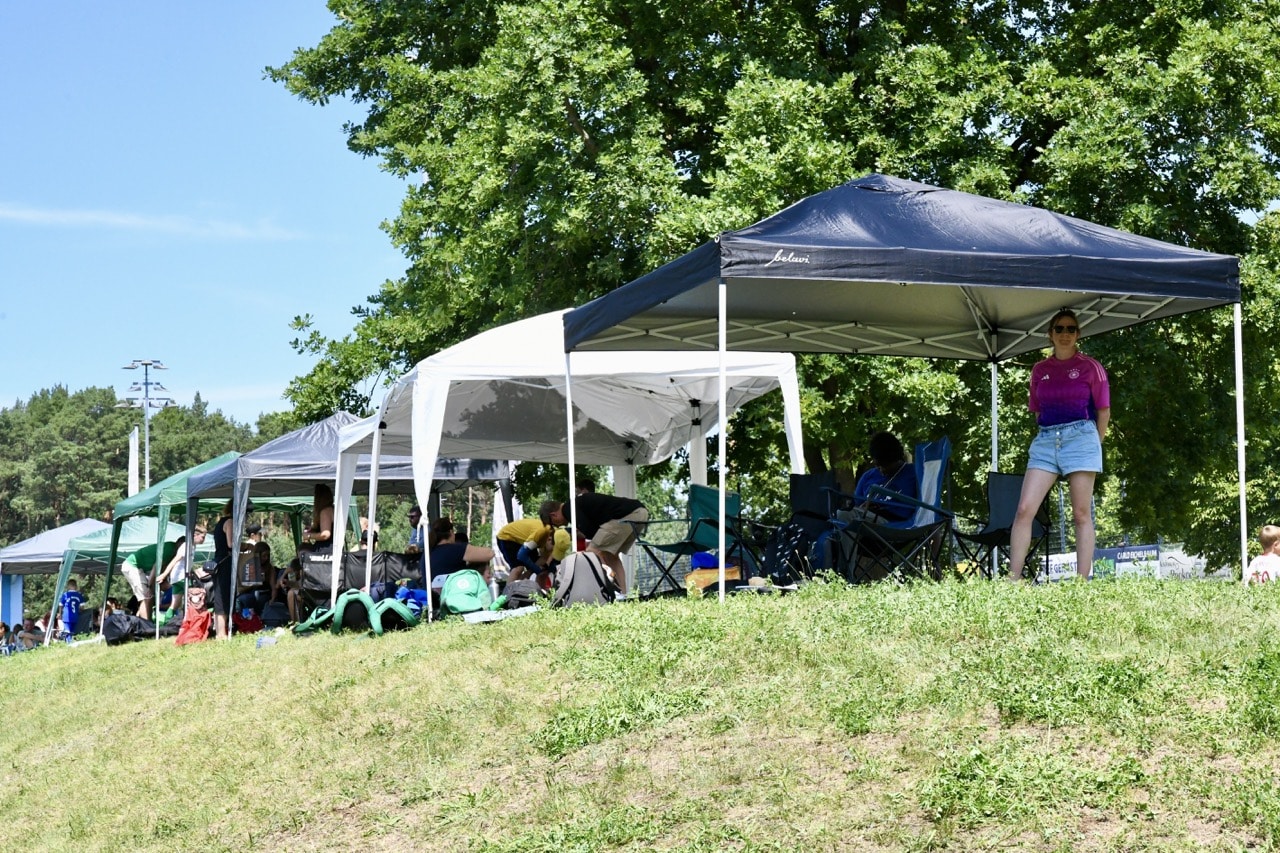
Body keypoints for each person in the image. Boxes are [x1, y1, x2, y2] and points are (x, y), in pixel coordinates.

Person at [1008, 309, 1111, 581]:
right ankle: (1011, 580)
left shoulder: (1091, 366)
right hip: (1045, 439)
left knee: (1080, 513)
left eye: (1071, 329)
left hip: (1082, 436)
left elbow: (1104, 412)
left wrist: (1092, 446)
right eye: (1059, 329)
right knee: (1024, 509)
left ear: (1078, 334)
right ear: (1050, 334)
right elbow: (1037, 411)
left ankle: (1081, 582)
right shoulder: (1039, 370)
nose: (1065, 334)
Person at [542, 493, 649, 597]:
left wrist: (579, 534)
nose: (556, 526)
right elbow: (594, 530)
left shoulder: (569, 508)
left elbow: (590, 530)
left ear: (553, 515)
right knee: (611, 556)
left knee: (589, 555)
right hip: (640, 512)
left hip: (626, 516)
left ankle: (592, 593)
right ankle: (623, 594)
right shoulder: (575, 504)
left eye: (552, 523)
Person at [849, 432, 919, 524]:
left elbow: (927, 506)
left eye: (885, 465)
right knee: (843, 515)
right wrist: (864, 507)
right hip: (867, 519)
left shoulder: (915, 473)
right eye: (878, 466)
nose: (881, 470)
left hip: (897, 522)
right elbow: (856, 505)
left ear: (896, 458)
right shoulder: (868, 476)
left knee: (845, 516)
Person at [120, 539, 179, 621]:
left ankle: (147, 624)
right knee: (146, 597)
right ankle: (146, 626)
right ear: (180, 545)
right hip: (132, 566)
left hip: (139, 568)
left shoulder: (172, 551)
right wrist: (150, 586)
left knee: (149, 597)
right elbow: (156, 568)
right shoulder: (169, 550)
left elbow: (162, 569)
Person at [426, 518, 494, 589]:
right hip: (454, 596)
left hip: (430, 597)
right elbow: (490, 553)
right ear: (451, 532)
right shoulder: (455, 549)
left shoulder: (427, 554)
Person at [155, 526, 206, 619]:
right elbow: (175, 560)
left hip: (177, 577)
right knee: (197, 593)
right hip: (181, 576)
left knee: (175, 603)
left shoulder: (193, 547)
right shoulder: (186, 546)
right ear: (195, 535)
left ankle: (167, 621)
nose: (204, 540)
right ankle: (194, 618)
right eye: (203, 537)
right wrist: (163, 575)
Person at [495, 516, 568, 581]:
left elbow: (544, 558)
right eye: (553, 550)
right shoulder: (541, 533)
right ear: (549, 540)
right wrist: (538, 571)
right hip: (507, 537)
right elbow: (521, 555)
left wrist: (542, 569)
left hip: (525, 540)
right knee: (519, 568)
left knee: (536, 564)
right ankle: (507, 594)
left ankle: (520, 586)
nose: (552, 552)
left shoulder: (555, 536)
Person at [299, 484, 336, 551]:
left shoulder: (325, 511)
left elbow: (326, 534)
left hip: (325, 551)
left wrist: (309, 536)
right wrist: (314, 529)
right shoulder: (333, 509)